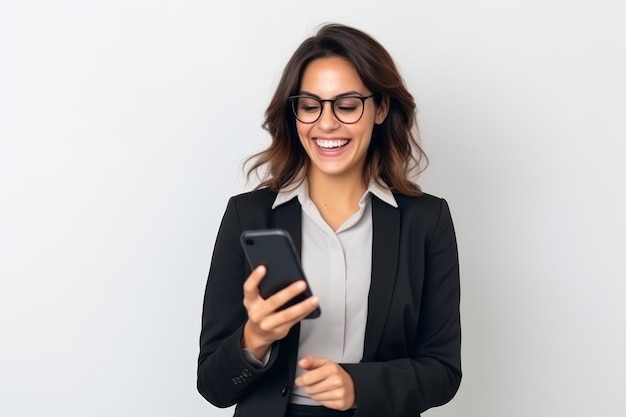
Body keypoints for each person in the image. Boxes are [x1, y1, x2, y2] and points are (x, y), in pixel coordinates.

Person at [197, 23, 461, 417]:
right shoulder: (247, 216)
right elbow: (213, 387)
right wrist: (256, 336)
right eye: (309, 105)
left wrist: (359, 385)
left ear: (381, 109)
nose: (326, 123)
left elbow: (442, 371)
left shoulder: (427, 220)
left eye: (348, 104)